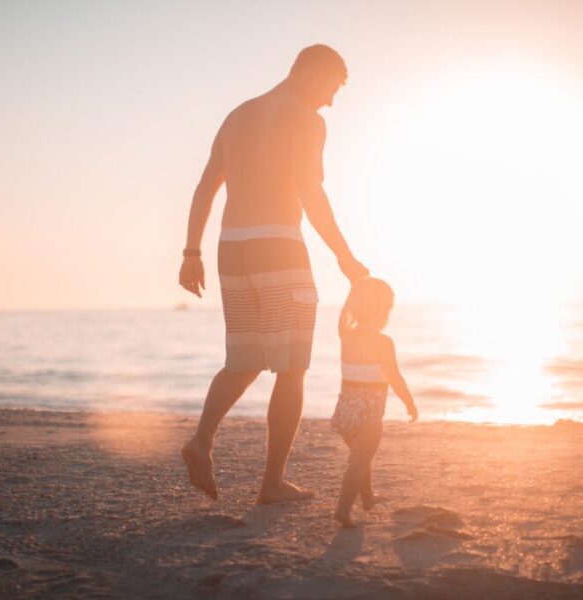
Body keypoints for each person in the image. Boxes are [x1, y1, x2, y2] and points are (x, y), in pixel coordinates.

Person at [178, 44, 369, 504]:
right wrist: (345, 256)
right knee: (292, 367)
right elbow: (312, 194)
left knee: (243, 361)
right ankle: (272, 485)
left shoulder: (238, 115)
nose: (330, 102)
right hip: (279, 247)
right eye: (332, 88)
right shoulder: (306, 119)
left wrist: (190, 252)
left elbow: (207, 185)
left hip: (232, 248)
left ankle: (201, 441)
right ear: (313, 73)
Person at [331, 278, 417, 527]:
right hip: (369, 414)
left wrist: (353, 288)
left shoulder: (346, 335)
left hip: (345, 412)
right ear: (383, 312)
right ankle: (343, 509)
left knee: (361, 456)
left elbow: (343, 314)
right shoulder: (383, 342)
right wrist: (409, 402)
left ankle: (367, 498)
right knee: (358, 463)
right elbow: (394, 376)